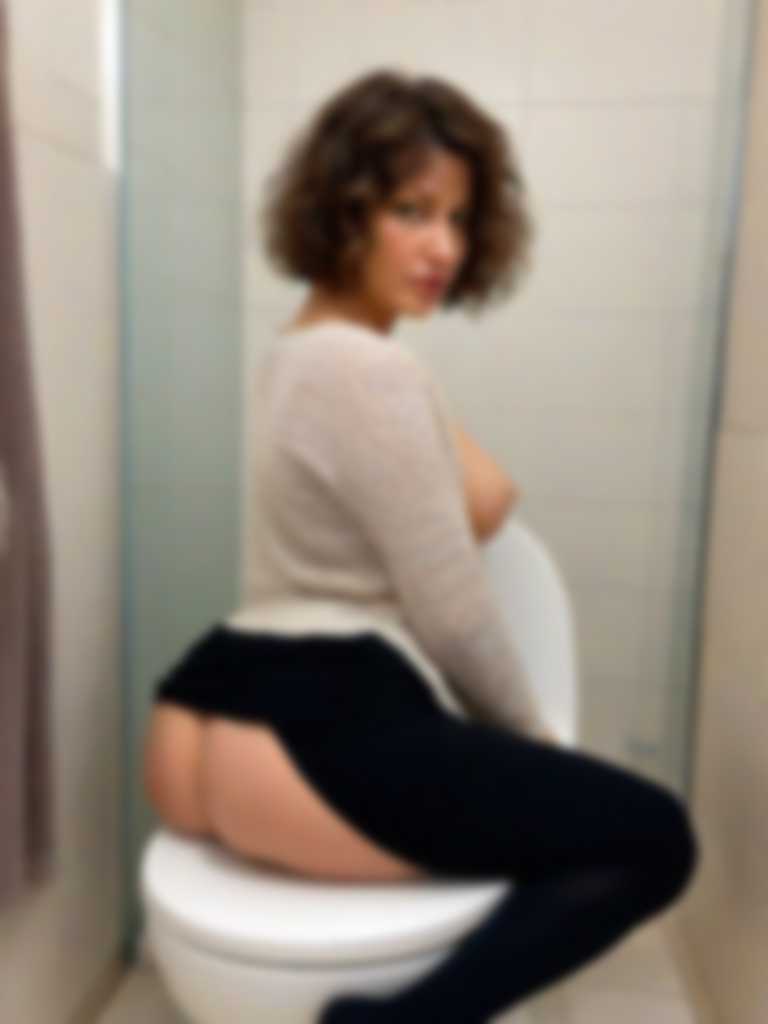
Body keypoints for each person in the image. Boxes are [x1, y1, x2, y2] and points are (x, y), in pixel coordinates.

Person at [143, 69, 699, 1023]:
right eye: (411, 211)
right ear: (344, 209)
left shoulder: (294, 354)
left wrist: (413, 380)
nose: (444, 247)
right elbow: (453, 612)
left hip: (208, 702)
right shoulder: (375, 374)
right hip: (323, 723)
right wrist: (535, 742)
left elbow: (487, 500)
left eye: (459, 218)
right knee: (655, 837)